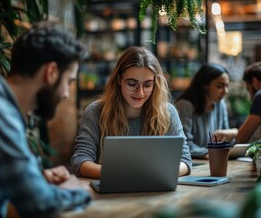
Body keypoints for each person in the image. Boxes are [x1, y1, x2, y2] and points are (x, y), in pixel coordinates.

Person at [0, 22, 92, 218]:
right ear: (51, 72)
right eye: (68, 82)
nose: (65, 94)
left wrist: (36, 180)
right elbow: (39, 204)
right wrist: (76, 190)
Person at [71, 46, 192, 178]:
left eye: (147, 85)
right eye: (132, 84)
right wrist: (121, 175)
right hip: (110, 191)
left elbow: (185, 160)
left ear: (155, 84)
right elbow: (80, 161)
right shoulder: (95, 112)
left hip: (154, 188)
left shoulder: (167, 112)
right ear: (118, 80)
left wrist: (154, 174)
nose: (140, 92)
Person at [175, 63, 238, 158]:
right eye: (220, 86)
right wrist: (210, 153)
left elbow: (225, 140)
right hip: (193, 164)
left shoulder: (220, 105)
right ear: (205, 85)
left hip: (212, 160)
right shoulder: (185, 106)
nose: (225, 91)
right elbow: (184, 145)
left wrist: (234, 133)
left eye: (227, 86)